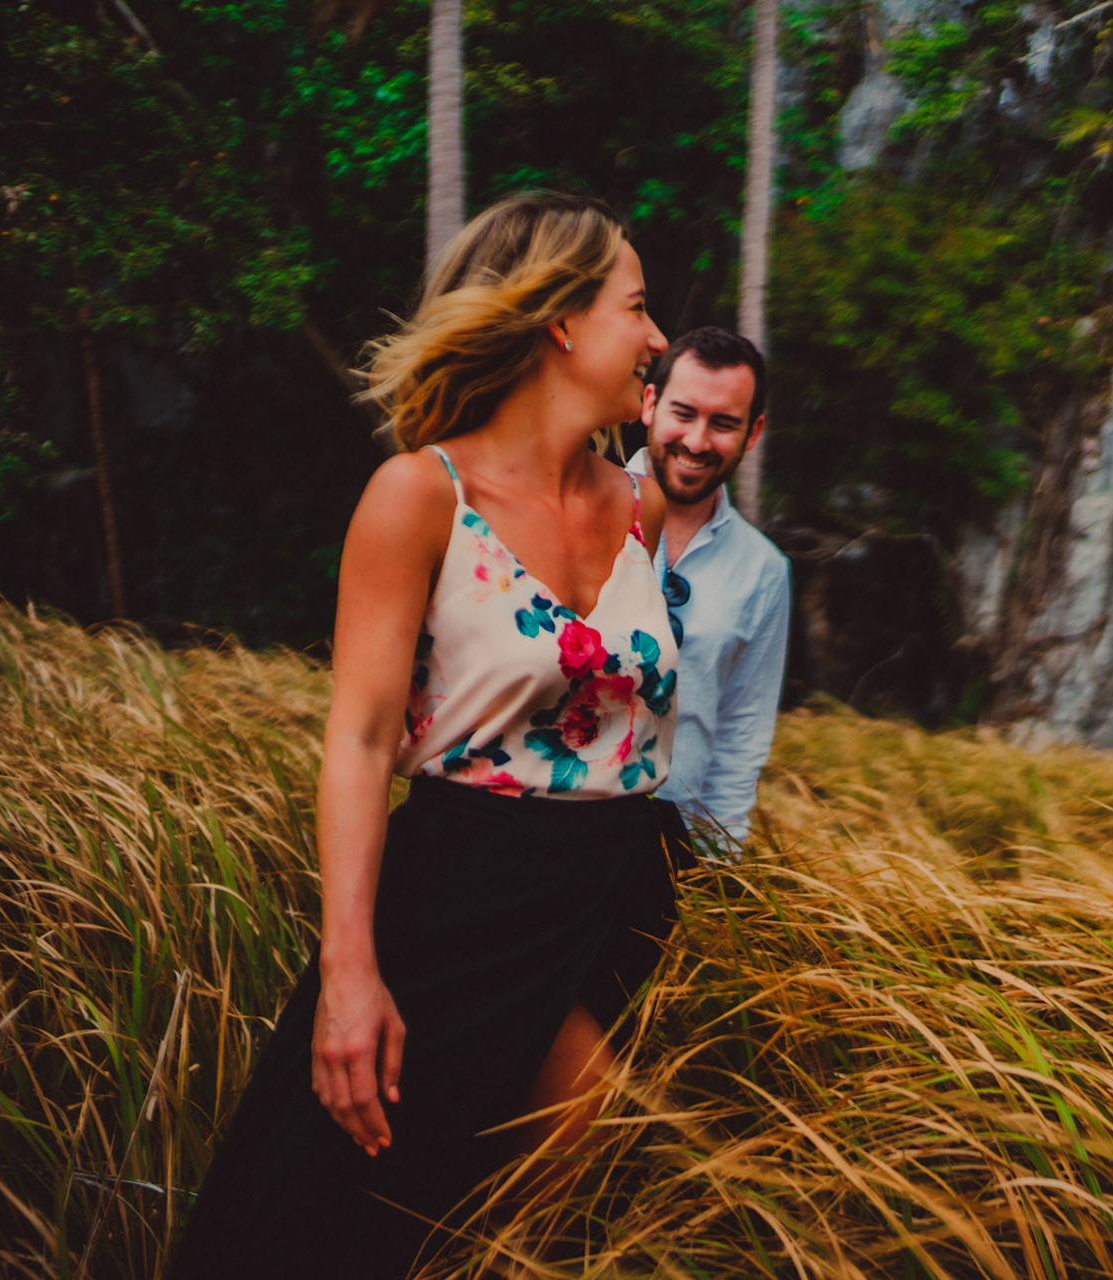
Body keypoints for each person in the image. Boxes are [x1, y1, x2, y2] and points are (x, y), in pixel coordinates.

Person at [170, 193, 683, 1279]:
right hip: (466, 897)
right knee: (348, 1214)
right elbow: (357, 738)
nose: (657, 339)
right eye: (637, 309)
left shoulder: (635, 506)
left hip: (618, 892)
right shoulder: (419, 496)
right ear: (559, 322)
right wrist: (350, 974)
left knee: (581, 1199)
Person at [626, 327, 790, 847]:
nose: (697, 442)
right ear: (650, 403)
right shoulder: (574, 516)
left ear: (754, 432)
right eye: (684, 413)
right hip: (562, 832)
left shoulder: (763, 571)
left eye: (723, 424)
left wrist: (719, 868)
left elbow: (743, 732)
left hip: (679, 852)